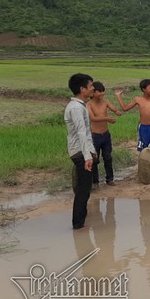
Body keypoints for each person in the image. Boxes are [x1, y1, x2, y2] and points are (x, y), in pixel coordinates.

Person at [64, 73, 96, 230]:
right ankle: (78, 225)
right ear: (82, 89)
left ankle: (81, 220)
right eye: (91, 86)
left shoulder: (79, 106)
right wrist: (87, 156)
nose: (93, 89)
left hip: (81, 151)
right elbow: (81, 132)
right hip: (80, 153)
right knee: (83, 190)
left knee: (85, 189)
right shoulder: (76, 108)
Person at [87, 81, 122, 188]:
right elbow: (93, 118)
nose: (102, 93)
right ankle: (95, 182)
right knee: (95, 160)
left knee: (108, 157)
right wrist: (107, 118)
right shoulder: (89, 105)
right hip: (95, 135)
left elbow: (114, 109)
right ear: (93, 93)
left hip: (106, 134)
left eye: (103, 91)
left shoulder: (105, 102)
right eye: (100, 92)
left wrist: (117, 112)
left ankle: (110, 179)